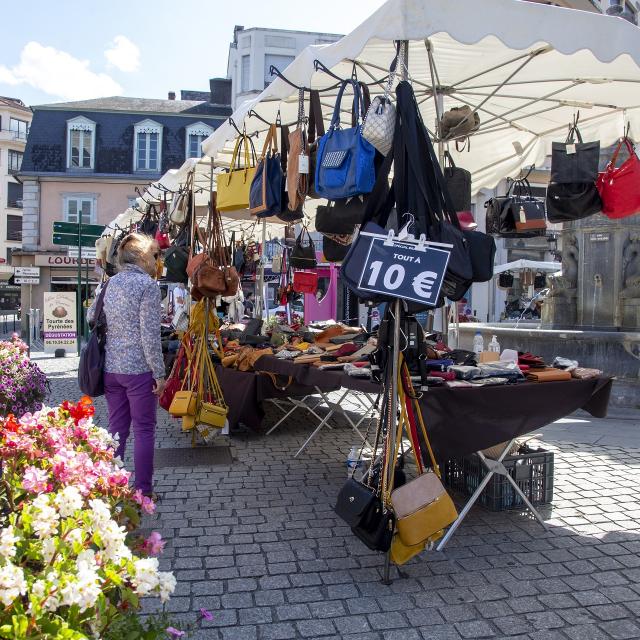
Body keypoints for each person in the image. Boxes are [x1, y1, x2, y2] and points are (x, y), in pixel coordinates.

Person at [87, 233, 164, 499]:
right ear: (143, 257)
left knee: (117, 429)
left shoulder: (110, 284)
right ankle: (143, 491)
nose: (157, 260)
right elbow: (150, 335)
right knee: (144, 430)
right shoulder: (148, 286)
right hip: (139, 370)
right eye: (155, 255)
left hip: (111, 368)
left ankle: (112, 488)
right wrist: (159, 373)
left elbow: (90, 316)